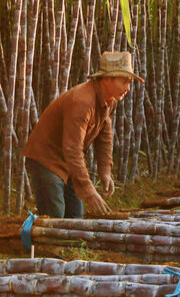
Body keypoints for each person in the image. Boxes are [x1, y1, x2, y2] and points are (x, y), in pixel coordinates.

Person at [22, 51, 143, 218]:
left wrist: (105, 170)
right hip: (47, 159)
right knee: (55, 218)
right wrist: (89, 191)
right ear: (107, 79)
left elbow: (105, 135)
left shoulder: (110, 100)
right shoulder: (82, 102)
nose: (128, 88)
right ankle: (40, 244)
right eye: (124, 82)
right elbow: (72, 149)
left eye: (130, 83)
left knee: (75, 218)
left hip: (69, 162)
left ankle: (63, 244)